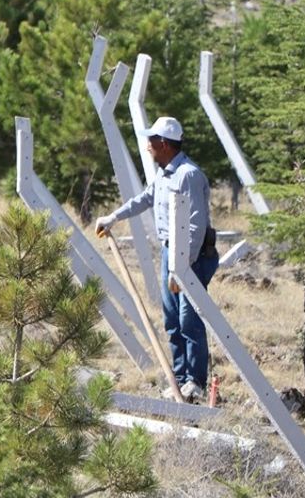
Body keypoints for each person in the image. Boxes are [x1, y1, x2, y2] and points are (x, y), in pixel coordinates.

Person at [95, 116, 219, 403]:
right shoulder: (164, 174)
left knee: (190, 320)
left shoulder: (188, 174)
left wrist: (182, 267)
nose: (147, 146)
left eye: (151, 141)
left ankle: (195, 382)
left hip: (191, 256)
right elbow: (143, 200)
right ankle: (178, 380)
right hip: (170, 252)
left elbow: (196, 226)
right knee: (172, 319)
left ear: (164, 144)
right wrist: (114, 217)